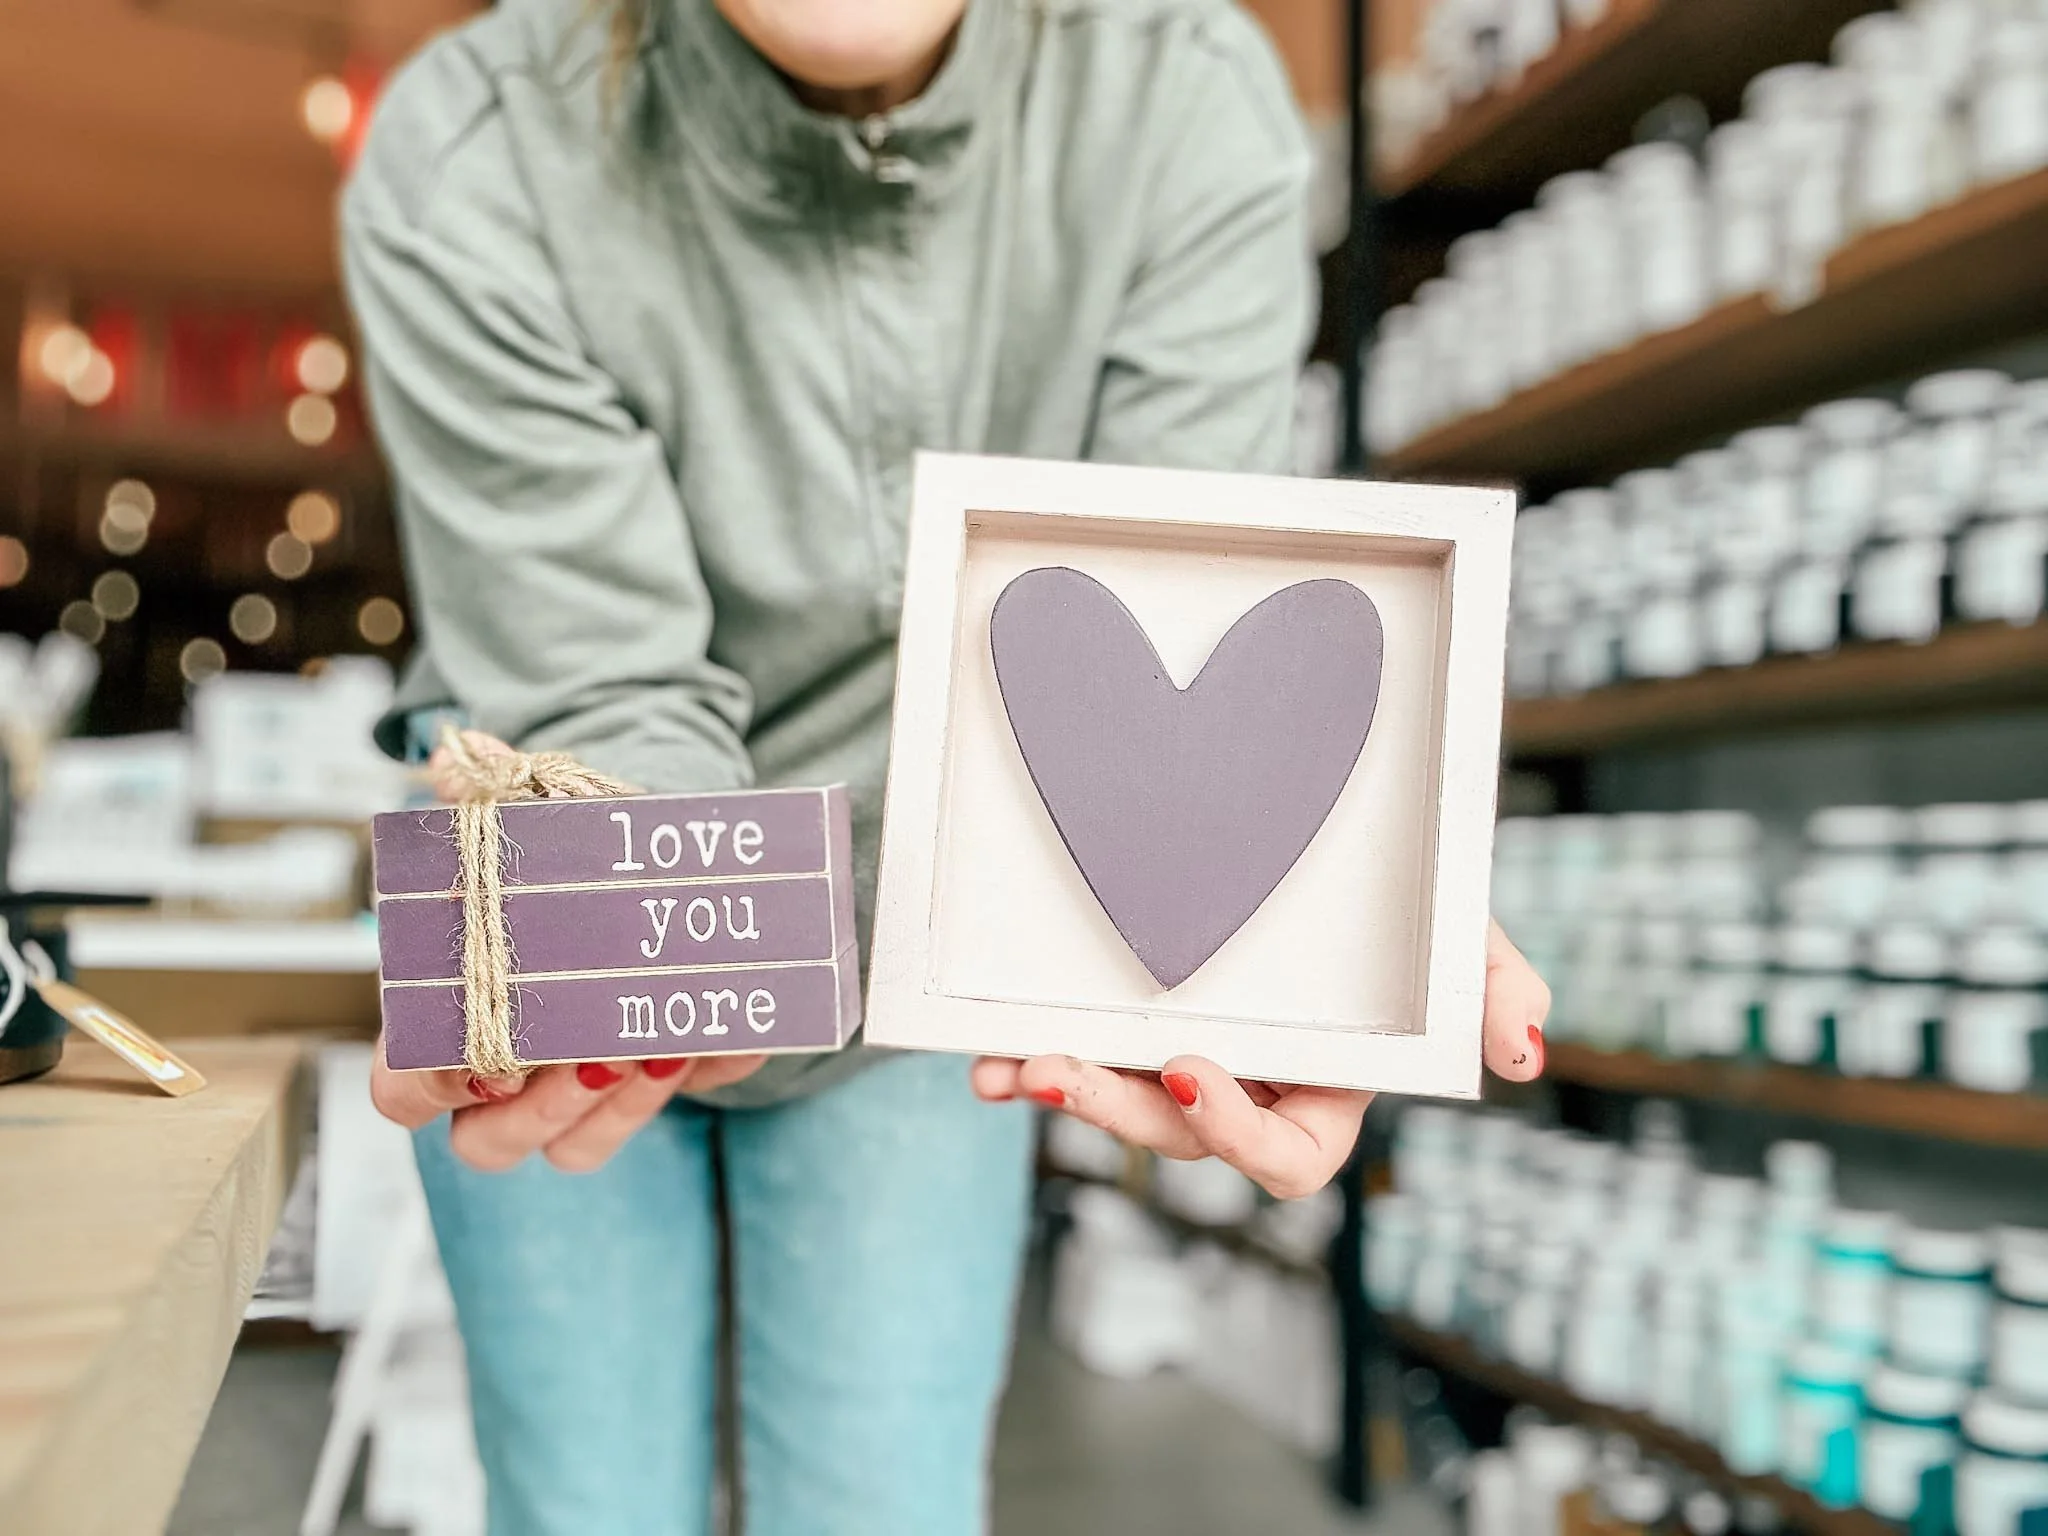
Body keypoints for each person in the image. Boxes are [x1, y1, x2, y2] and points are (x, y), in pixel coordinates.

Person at [342, 1, 1553, 1531]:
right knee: (578, 1502)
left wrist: (1318, 900)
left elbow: (1170, 635)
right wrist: (667, 931)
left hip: (931, 953)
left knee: (882, 1502)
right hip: (575, 946)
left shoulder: (1180, 103)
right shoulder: (476, 148)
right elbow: (598, 685)